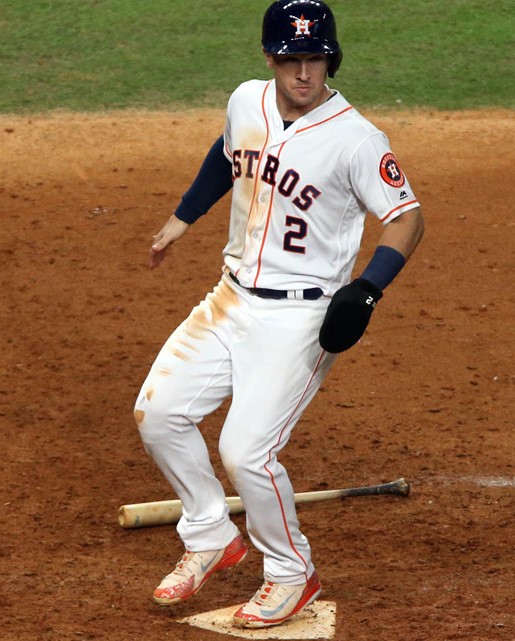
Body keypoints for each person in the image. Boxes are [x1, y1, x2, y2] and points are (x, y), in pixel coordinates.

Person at [133, 0, 424, 628]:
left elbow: (406, 219)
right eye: (291, 59)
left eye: (314, 58)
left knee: (246, 453)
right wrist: (183, 217)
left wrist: (366, 291)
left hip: (300, 321)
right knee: (158, 415)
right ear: (270, 58)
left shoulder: (357, 139)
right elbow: (226, 152)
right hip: (230, 297)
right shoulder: (247, 100)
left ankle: (291, 574)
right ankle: (210, 532)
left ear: (330, 59)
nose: (303, 73)